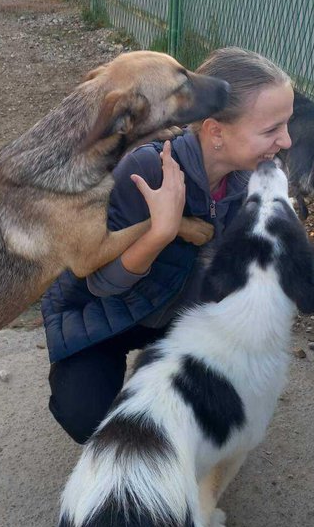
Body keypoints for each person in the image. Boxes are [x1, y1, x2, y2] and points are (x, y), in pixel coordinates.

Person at [42, 46, 295, 443]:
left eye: (286, 125)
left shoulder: (252, 184)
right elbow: (101, 284)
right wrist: (161, 230)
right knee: (89, 417)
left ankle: (164, 392)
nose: (287, 140)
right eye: (271, 130)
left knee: (212, 415)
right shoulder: (147, 167)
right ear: (215, 132)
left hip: (178, 319)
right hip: (108, 314)